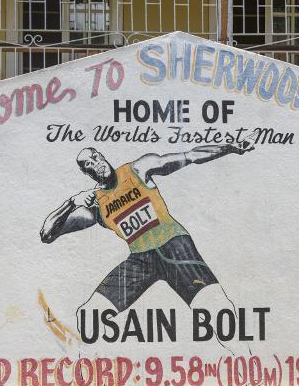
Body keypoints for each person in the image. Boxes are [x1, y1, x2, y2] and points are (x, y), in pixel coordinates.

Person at [40, 142, 253, 352]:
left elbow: (191, 156)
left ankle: (253, 377)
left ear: (103, 155)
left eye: (96, 156)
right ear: (87, 174)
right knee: (89, 314)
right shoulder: (96, 205)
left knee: (218, 311)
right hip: (141, 260)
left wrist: (230, 147)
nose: (96, 164)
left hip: (174, 247)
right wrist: (71, 202)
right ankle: (94, 377)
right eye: (88, 165)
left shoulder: (138, 169)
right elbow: (47, 234)